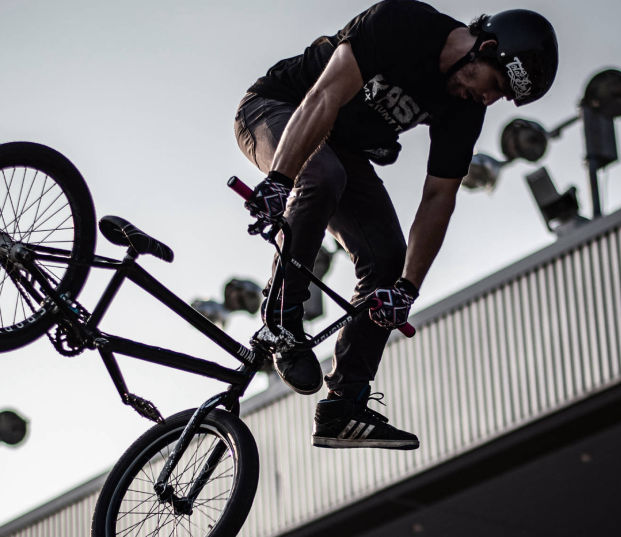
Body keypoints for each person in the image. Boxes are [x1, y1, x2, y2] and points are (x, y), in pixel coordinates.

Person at [234, 0, 557, 450]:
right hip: (279, 108)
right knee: (322, 175)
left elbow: (439, 196)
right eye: (495, 85)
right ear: (484, 49)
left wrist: (408, 289)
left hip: (341, 151)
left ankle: (344, 405)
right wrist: (279, 180)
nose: (488, 99)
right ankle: (281, 318)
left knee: (389, 260)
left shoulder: (463, 109)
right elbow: (324, 96)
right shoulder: (402, 24)